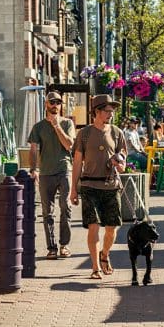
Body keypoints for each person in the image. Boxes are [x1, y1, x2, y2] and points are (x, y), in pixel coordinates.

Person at [69, 94, 127, 279]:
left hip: (111, 186)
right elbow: (77, 162)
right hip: (89, 185)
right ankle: (95, 267)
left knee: (111, 229)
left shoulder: (117, 133)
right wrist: (73, 189)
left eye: (112, 111)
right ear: (97, 111)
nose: (111, 114)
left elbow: (124, 164)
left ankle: (105, 255)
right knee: (93, 226)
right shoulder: (84, 134)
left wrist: (118, 163)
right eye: (108, 111)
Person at [28, 91, 76, 260]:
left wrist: (56, 126)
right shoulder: (38, 127)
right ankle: (51, 247)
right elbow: (33, 149)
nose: (55, 105)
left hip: (64, 169)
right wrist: (33, 169)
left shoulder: (68, 123)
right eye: (52, 102)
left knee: (66, 207)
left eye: (58, 102)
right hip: (46, 172)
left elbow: (69, 145)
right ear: (46, 104)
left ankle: (64, 245)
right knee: (47, 212)